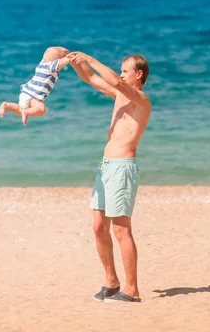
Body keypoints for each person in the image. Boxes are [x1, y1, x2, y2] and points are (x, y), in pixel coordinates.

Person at [68, 51, 151, 303]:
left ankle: (132, 289)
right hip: (105, 167)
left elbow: (114, 81)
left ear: (138, 75)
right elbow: (92, 79)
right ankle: (111, 282)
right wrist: (74, 63)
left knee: (121, 230)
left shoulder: (141, 100)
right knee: (98, 227)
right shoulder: (119, 96)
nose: (121, 74)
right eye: (121, 70)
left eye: (125, 70)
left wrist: (89, 57)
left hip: (122, 168)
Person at [0, 47, 71, 126]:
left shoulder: (42, 64)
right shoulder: (51, 67)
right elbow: (61, 62)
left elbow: (53, 54)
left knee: (19, 109)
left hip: (25, 92)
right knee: (41, 109)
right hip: (34, 95)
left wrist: (64, 51)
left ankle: (6, 105)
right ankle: (26, 112)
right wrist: (71, 57)